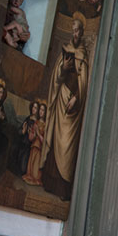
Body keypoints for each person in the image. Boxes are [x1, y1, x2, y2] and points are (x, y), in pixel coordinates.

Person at [39, 15, 90, 198]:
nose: (75, 33)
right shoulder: (66, 50)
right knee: (55, 140)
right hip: (61, 98)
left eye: (77, 30)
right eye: (73, 30)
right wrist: (63, 68)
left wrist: (77, 97)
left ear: (82, 32)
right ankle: (49, 182)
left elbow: (84, 83)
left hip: (73, 105)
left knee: (67, 144)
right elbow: (56, 78)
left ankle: (63, 188)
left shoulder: (84, 55)